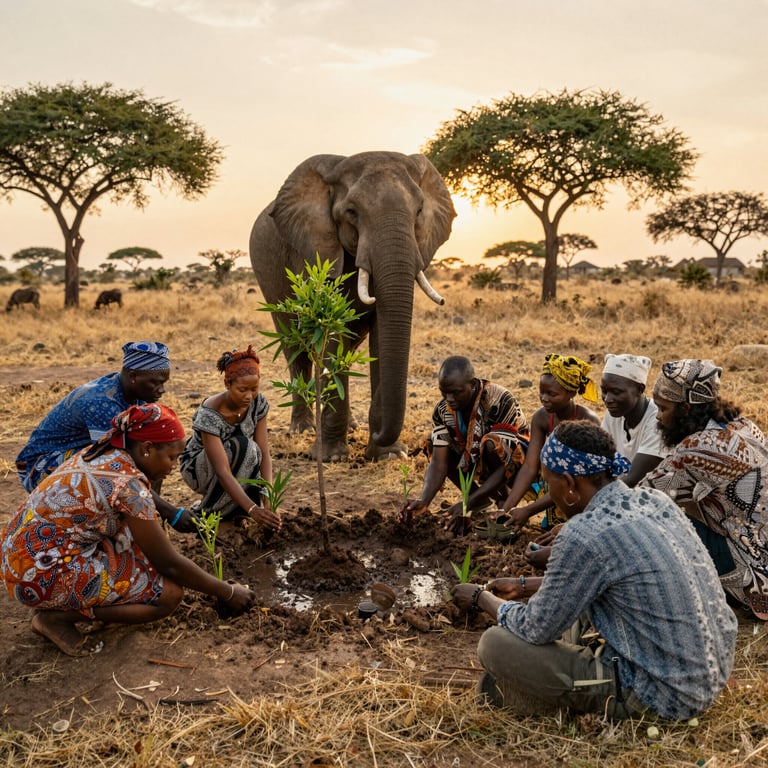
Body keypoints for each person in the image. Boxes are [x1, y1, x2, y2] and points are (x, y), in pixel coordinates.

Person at [452, 421, 737, 720]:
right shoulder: (653, 501)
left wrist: (481, 598)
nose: (549, 492)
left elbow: (534, 627)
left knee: (494, 644)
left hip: (662, 694)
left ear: (570, 484)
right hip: (711, 673)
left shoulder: (584, 534)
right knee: (573, 611)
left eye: (549, 482)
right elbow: (612, 575)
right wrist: (524, 586)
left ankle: (553, 697)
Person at [1, 404, 255, 657]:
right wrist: (227, 591)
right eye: (172, 457)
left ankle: (80, 599)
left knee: (142, 545)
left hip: (18, 554)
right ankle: (56, 619)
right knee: (168, 595)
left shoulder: (106, 452)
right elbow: (170, 565)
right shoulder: (130, 487)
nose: (174, 466)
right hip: (37, 574)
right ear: (146, 449)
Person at [14, 341, 196, 532]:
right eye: (156, 382)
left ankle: (143, 519)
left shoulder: (136, 396)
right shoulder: (100, 401)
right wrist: (171, 513)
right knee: (116, 467)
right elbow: (116, 469)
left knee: (151, 454)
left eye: (163, 383)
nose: (162, 390)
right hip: (41, 465)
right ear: (133, 376)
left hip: (79, 454)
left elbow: (146, 458)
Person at [641, 359, 768, 621]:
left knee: (653, 524)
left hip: (753, 576)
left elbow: (640, 497)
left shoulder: (697, 449)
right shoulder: (744, 426)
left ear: (686, 409)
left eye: (663, 409)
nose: (658, 416)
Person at [401, 356, 529, 534]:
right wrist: (424, 501)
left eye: (456, 392)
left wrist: (467, 503)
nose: (449, 398)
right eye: (444, 392)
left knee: (493, 444)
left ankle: (503, 502)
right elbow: (438, 462)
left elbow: (507, 460)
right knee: (434, 441)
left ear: (473, 383)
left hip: (520, 461)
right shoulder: (442, 411)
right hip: (474, 454)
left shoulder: (498, 401)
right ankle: (480, 500)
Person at [180, 345, 281, 532]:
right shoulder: (209, 414)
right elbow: (222, 471)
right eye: (242, 390)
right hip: (198, 468)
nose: (249, 396)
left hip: (236, 459)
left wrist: (268, 502)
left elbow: (265, 454)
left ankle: (239, 517)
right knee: (245, 447)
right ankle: (207, 514)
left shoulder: (258, 403)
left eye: (254, 389)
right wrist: (253, 509)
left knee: (253, 453)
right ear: (227, 385)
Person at [500, 354, 600, 537]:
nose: (544, 398)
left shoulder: (587, 421)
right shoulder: (542, 418)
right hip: (557, 486)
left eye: (552, 394)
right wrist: (505, 510)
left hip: (582, 492)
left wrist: (528, 510)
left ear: (571, 392)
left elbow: (582, 479)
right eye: (541, 392)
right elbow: (530, 467)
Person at [600, 353, 666, 486]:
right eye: (604, 391)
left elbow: (632, 479)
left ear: (640, 389)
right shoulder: (613, 415)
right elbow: (599, 457)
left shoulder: (658, 421)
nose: (607, 399)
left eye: (616, 392)